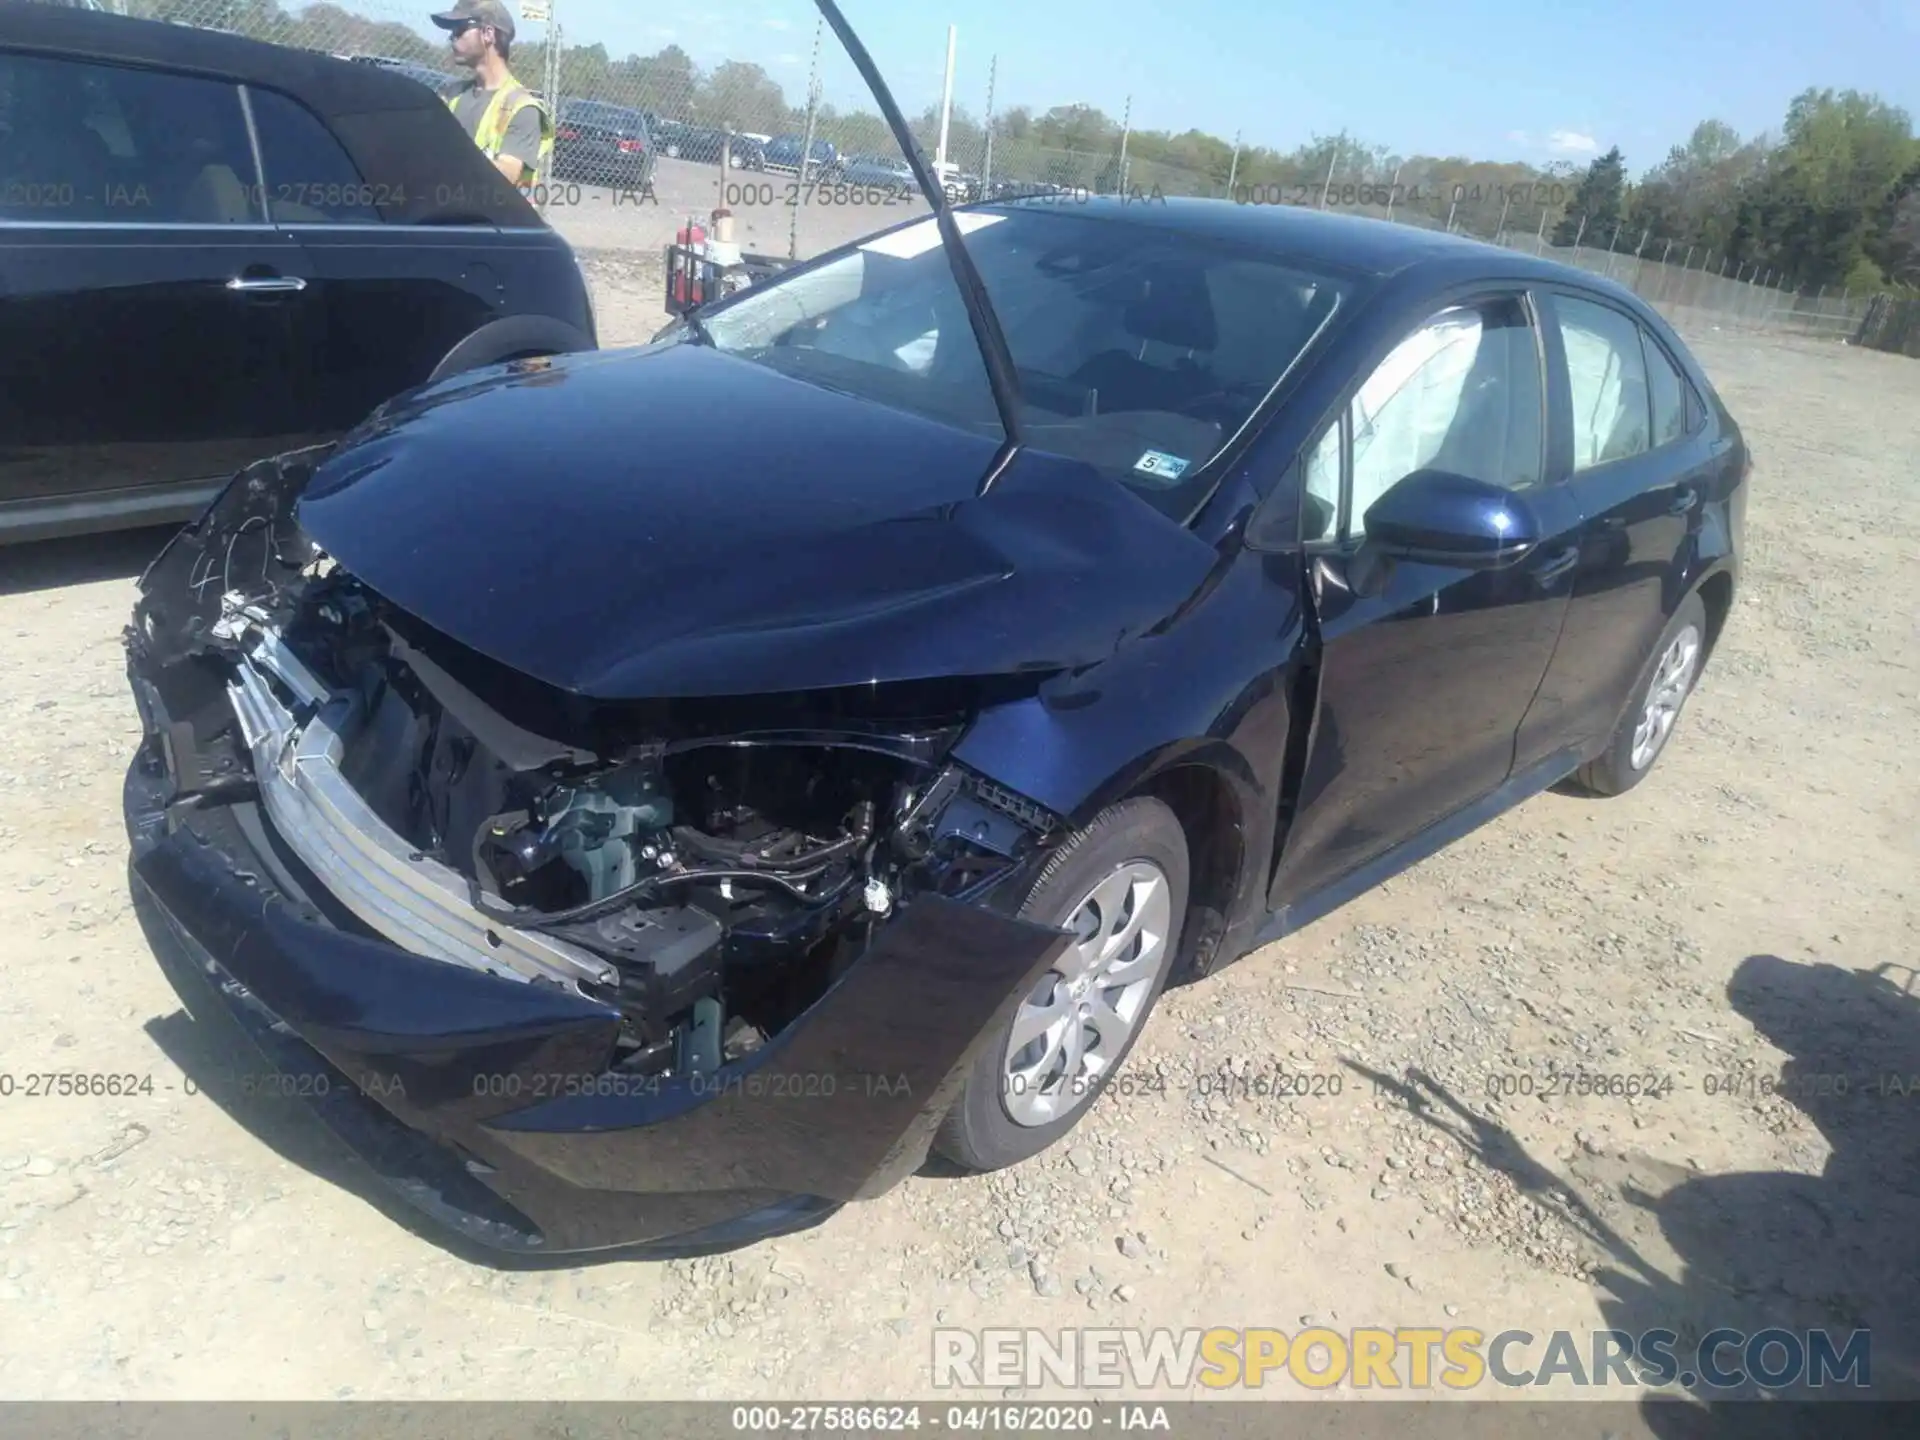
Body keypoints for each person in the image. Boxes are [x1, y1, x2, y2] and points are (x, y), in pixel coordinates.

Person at [431, 0, 553, 192]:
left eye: (459, 29)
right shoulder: (450, 94)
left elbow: (505, 175)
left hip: (489, 219)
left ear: (488, 34)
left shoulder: (521, 108)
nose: (452, 38)